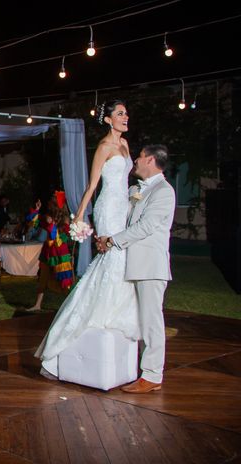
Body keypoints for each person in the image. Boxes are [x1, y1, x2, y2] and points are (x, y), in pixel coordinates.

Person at [35, 99, 140, 380]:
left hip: (123, 208)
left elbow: (125, 181)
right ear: (108, 119)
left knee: (123, 259)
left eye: (126, 113)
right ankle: (86, 323)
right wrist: (79, 216)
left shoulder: (126, 145)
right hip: (107, 209)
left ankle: (115, 314)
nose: (125, 116)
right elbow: (92, 186)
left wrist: (134, 197)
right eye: (120, 113)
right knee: (112, 259)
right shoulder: (104, 147)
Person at [96, 145, 175, 393]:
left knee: (152, 321)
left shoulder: (164, 191)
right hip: (132, 265)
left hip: (151, 267)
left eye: (140, 157)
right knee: (140, 319)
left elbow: (145, 227)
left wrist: (111, 241)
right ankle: (138, 369)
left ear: (150, 159)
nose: (135, 161)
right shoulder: (136, 190)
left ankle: (152, 375)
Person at [26, 191, 74, 312]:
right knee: (43, 278)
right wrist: (37, 210)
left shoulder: (66, 219)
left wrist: (53, 226)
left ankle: (71, 306)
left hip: (60, 253)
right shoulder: (48, 216)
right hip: (47, 252)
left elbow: (65, 236)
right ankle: (37, 305)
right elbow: (34, 224)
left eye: (53, 200)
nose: (50, 203)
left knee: (64, 280)